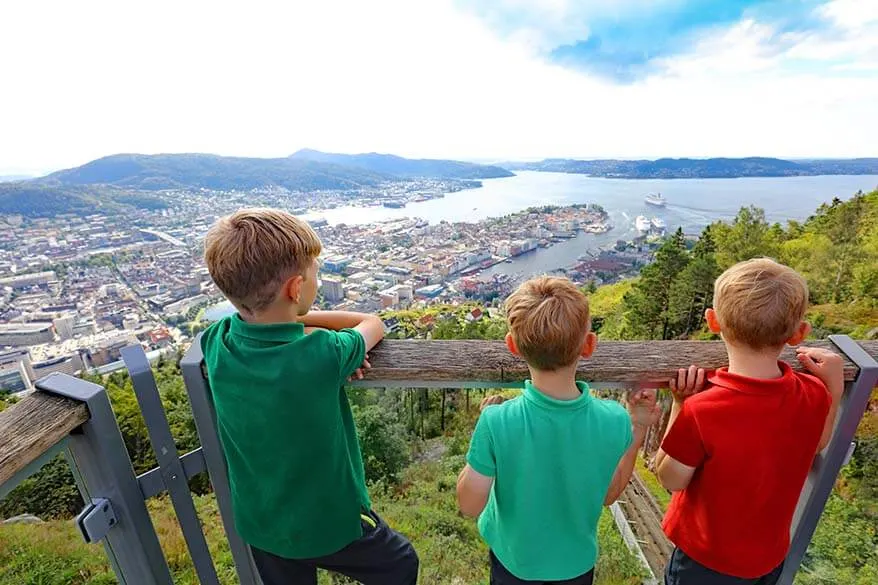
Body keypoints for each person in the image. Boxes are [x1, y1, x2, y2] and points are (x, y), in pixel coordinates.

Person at [200, 208, 418, 585]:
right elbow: (372, 324)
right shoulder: (322, 354)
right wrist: (313, 330)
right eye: (315, 273)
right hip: (328, 522)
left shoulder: (216, 341)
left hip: (262, 521)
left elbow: (263, 330)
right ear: (296, 289)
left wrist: (288, 316)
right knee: (400, 563)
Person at [456, 276, 661, 585]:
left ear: (513, 346)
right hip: (576, 566)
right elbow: (609, 494)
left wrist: (486, 434)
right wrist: (639, 424)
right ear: (589, 345)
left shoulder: (497, 421)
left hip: (513, 563)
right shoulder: (615, 420)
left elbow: (469, 505)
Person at [656, 258, 843, 585]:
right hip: (767, 560)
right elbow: (819, 442)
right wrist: (836, 388)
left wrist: (680, 405)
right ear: (799, 334)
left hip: (704, 561)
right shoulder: (813, 393)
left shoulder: (703, 410)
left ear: (713, 322)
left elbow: (671, 478)